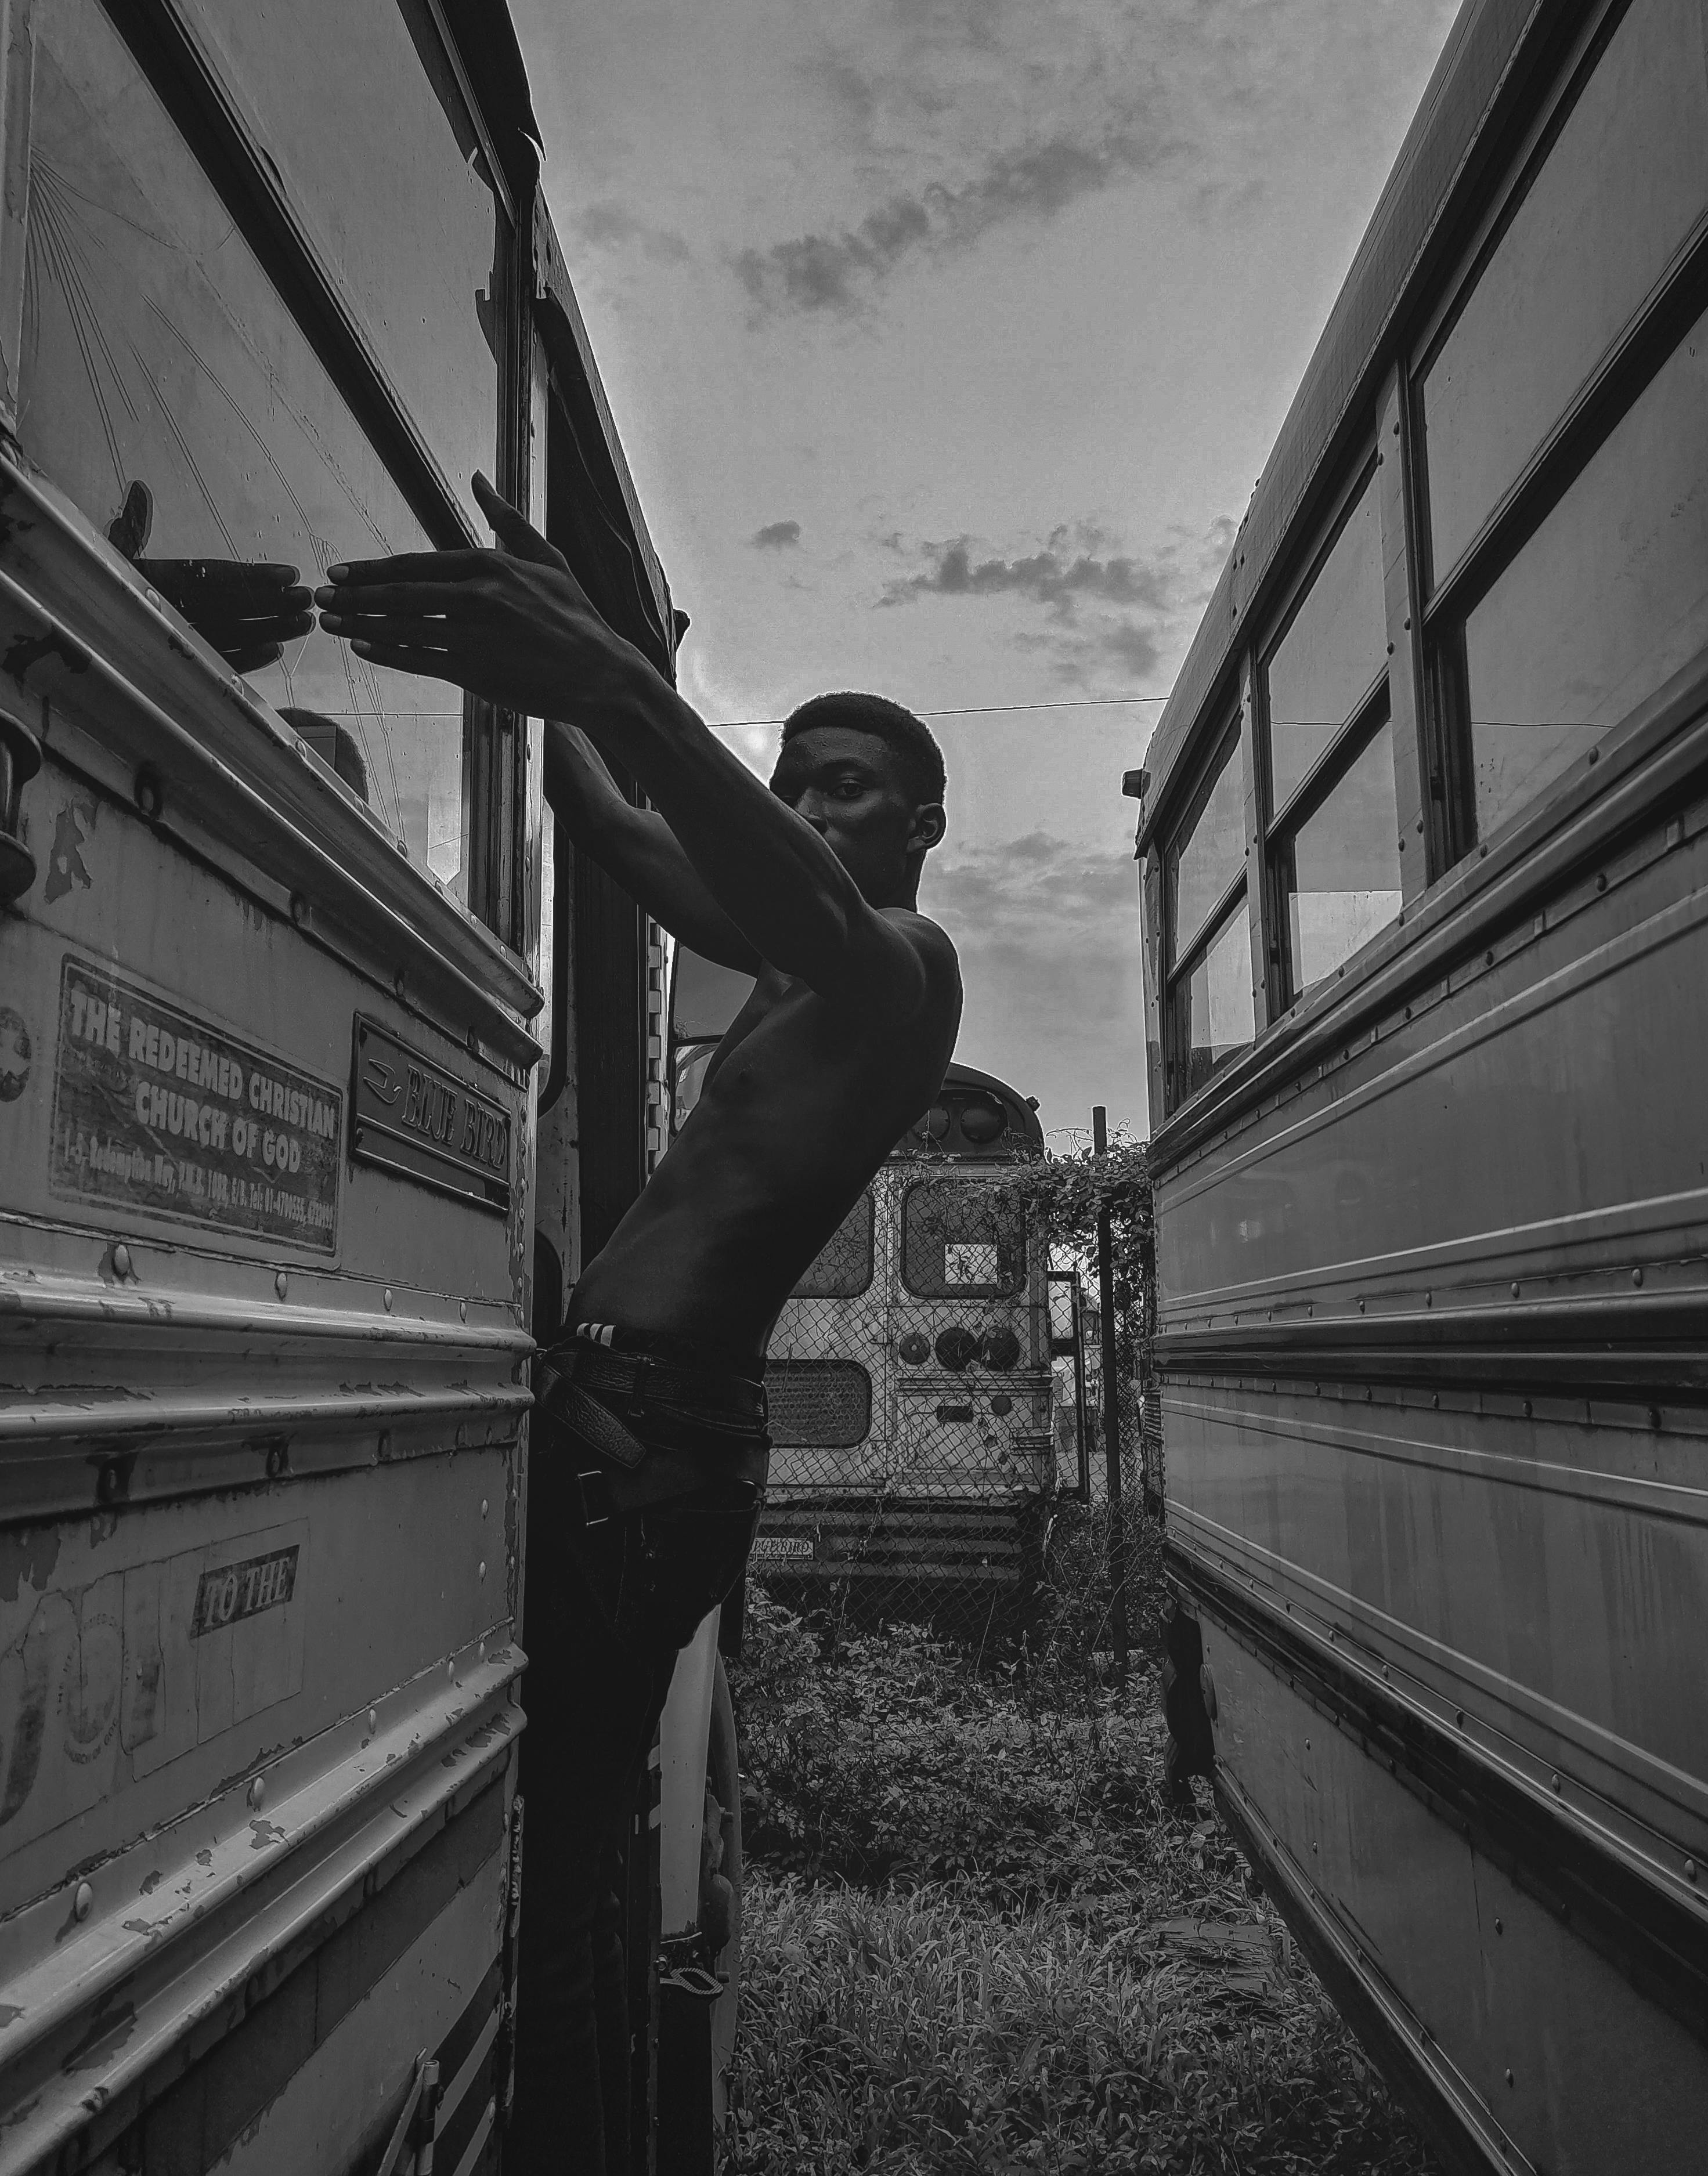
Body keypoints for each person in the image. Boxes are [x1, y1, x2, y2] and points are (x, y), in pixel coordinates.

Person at [315, 475, 962, 2176]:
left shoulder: (902, 964)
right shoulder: (792, 955)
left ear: (919, 828)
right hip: (626, 1420)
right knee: (566, 1832)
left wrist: (608, 669)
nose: (813, 814)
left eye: (851, 791)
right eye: (793, 785)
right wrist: (535, 664)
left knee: (576, 1850)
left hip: (657, 1440)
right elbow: (610, 828)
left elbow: (799, 901)